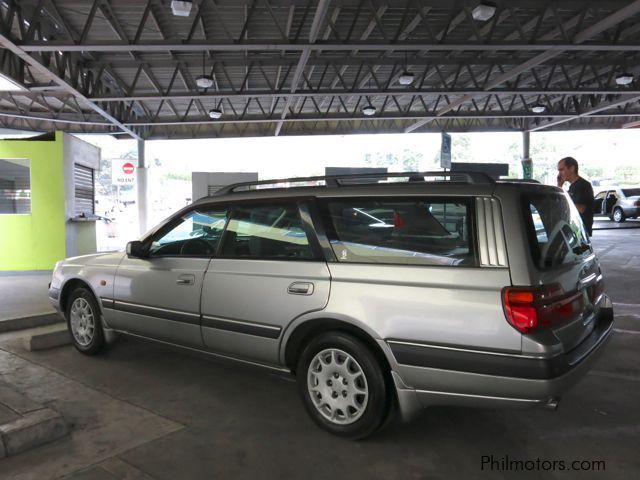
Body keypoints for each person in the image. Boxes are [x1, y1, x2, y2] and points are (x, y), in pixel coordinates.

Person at [557, 156, 594, 235]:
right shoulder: (571, 187)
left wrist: (565, 200)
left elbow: (581, 209)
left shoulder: (584, 185)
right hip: (572, 229)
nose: (559, 174)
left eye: (562, 170)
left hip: (581, 231)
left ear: (572, 168)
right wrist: (559, 186)